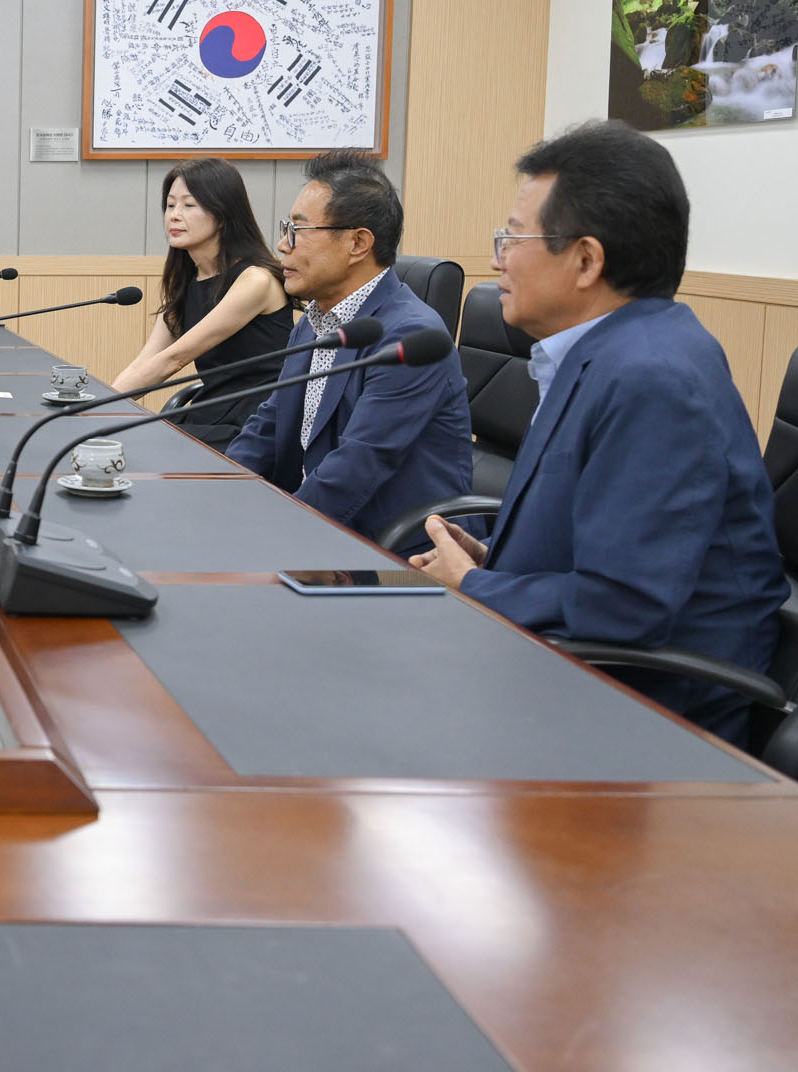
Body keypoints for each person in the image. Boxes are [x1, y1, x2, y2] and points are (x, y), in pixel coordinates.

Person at [412, 122, 785, 743]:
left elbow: (625, 606)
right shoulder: (608, 350)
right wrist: (492, 560)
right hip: (571, 667)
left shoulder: (652, 377)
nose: (498, 259)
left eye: (513, 237)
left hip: (649, 715)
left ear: (586, 260)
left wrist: (474, 586)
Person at [226, 150, 471, 551]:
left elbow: (357, 466)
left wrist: (271, 536)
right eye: (287, 228)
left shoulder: (407, 337)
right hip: (322, 527)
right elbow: (269, 425)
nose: (282, 245)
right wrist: (218, 491)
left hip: (394, 554)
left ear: (358, 243)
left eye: (298, 230)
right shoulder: (315, 320)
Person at [113, 157, 292, 448]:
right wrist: (95, 406)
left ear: (223, 214)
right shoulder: (184, 282)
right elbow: (146, 361)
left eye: (189, 205)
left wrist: (95, 410)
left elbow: (173, 360)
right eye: (170, 205)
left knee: (139, 448)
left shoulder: (255, 280)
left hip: (255, 423)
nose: (174, 216)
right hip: (211, 411)